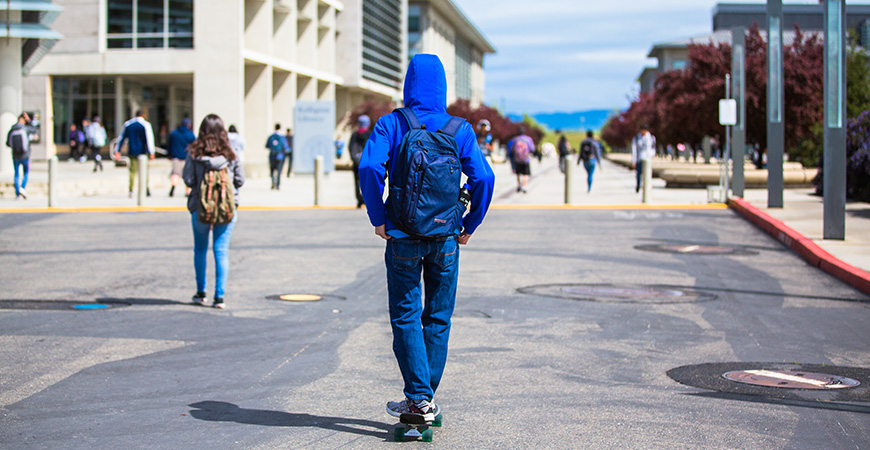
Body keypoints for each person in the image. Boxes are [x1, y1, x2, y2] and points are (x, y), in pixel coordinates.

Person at [358, 54, 495, 422]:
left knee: (405, 315)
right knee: (438, 317)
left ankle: (419, 398)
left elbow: (370, 166)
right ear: (443, 87)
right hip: (446, 237)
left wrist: (378, 216)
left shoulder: (392, 123)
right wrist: (471, 223)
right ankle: (424, 397)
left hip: (402, 233)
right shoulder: (460, 128)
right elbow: (484, 178)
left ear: (408, 84)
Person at [183, 114, 245, 309]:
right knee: (221, 251)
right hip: (226, 209)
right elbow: (240, 181)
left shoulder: (194, 153)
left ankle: (201, 292)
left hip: (200, 209)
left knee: (200, 249)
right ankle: (219, 297)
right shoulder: (231, 154)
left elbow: (188, 179)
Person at [114, 110, 156, 198]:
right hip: (142, 151)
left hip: (132, 150)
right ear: (143, 115)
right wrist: (151, 151)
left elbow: (122, 138)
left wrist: (117, 150)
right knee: (144, 171)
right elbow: (149, 139)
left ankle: (131, 189)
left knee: (132, 171)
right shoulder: (145, 125)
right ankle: (146, 188)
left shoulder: (128, 124)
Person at [5, 112, 35, 199]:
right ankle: (22, 188)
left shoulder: (12, 130)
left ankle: (17, 193)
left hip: (15, 156)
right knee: (26, 172)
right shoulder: (25, 129)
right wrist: (29, 120)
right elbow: (34, 130)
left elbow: (7, 143)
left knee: (16, 174)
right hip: (25, 155)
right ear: (23, 121)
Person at [167, 118, 196, 197]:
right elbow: (195, 146)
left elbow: (169, 145)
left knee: (176, 173)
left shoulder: (174, 133)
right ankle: (187, 191)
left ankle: (173, 186)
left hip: (175, 157)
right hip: (186, 158)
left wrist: (169, 154)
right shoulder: (190, 135)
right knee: (187, 174)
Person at [349, 114, 372, 208]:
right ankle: (366, 199)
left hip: (356, 162)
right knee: (367, 181)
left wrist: (354, 158)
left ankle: (359, 199)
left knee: (357, 181)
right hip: (367, 163)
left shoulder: (355, 134)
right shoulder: (370, 134)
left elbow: (350, 147)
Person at [507, 128, 535, 193]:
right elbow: (532, 149)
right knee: (526, 174)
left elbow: (512, 149)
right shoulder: (528, 139)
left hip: (517, 159)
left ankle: (519, 185)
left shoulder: (515, 140)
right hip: (525, 159)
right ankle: (524, 187)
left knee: (518, 174)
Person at [631, 124, 656, 193]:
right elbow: (634, 150)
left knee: (647, 174)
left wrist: (651, 156)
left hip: (647, 159)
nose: (643, 132)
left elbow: (653, 148)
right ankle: (638, 186)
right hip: (639, 159)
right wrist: (634, 161)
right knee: (638, 174)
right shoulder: (636, 138)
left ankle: (647, 188)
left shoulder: (651, 137)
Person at [265, 124, 286, 190]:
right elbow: (285, 147)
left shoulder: (271, 137)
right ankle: (278, 185)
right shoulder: (282, 137)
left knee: (272, 171)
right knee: (279, 171)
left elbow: (267, 146)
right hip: (280, 156)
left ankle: (273, 183)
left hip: (272, 156)